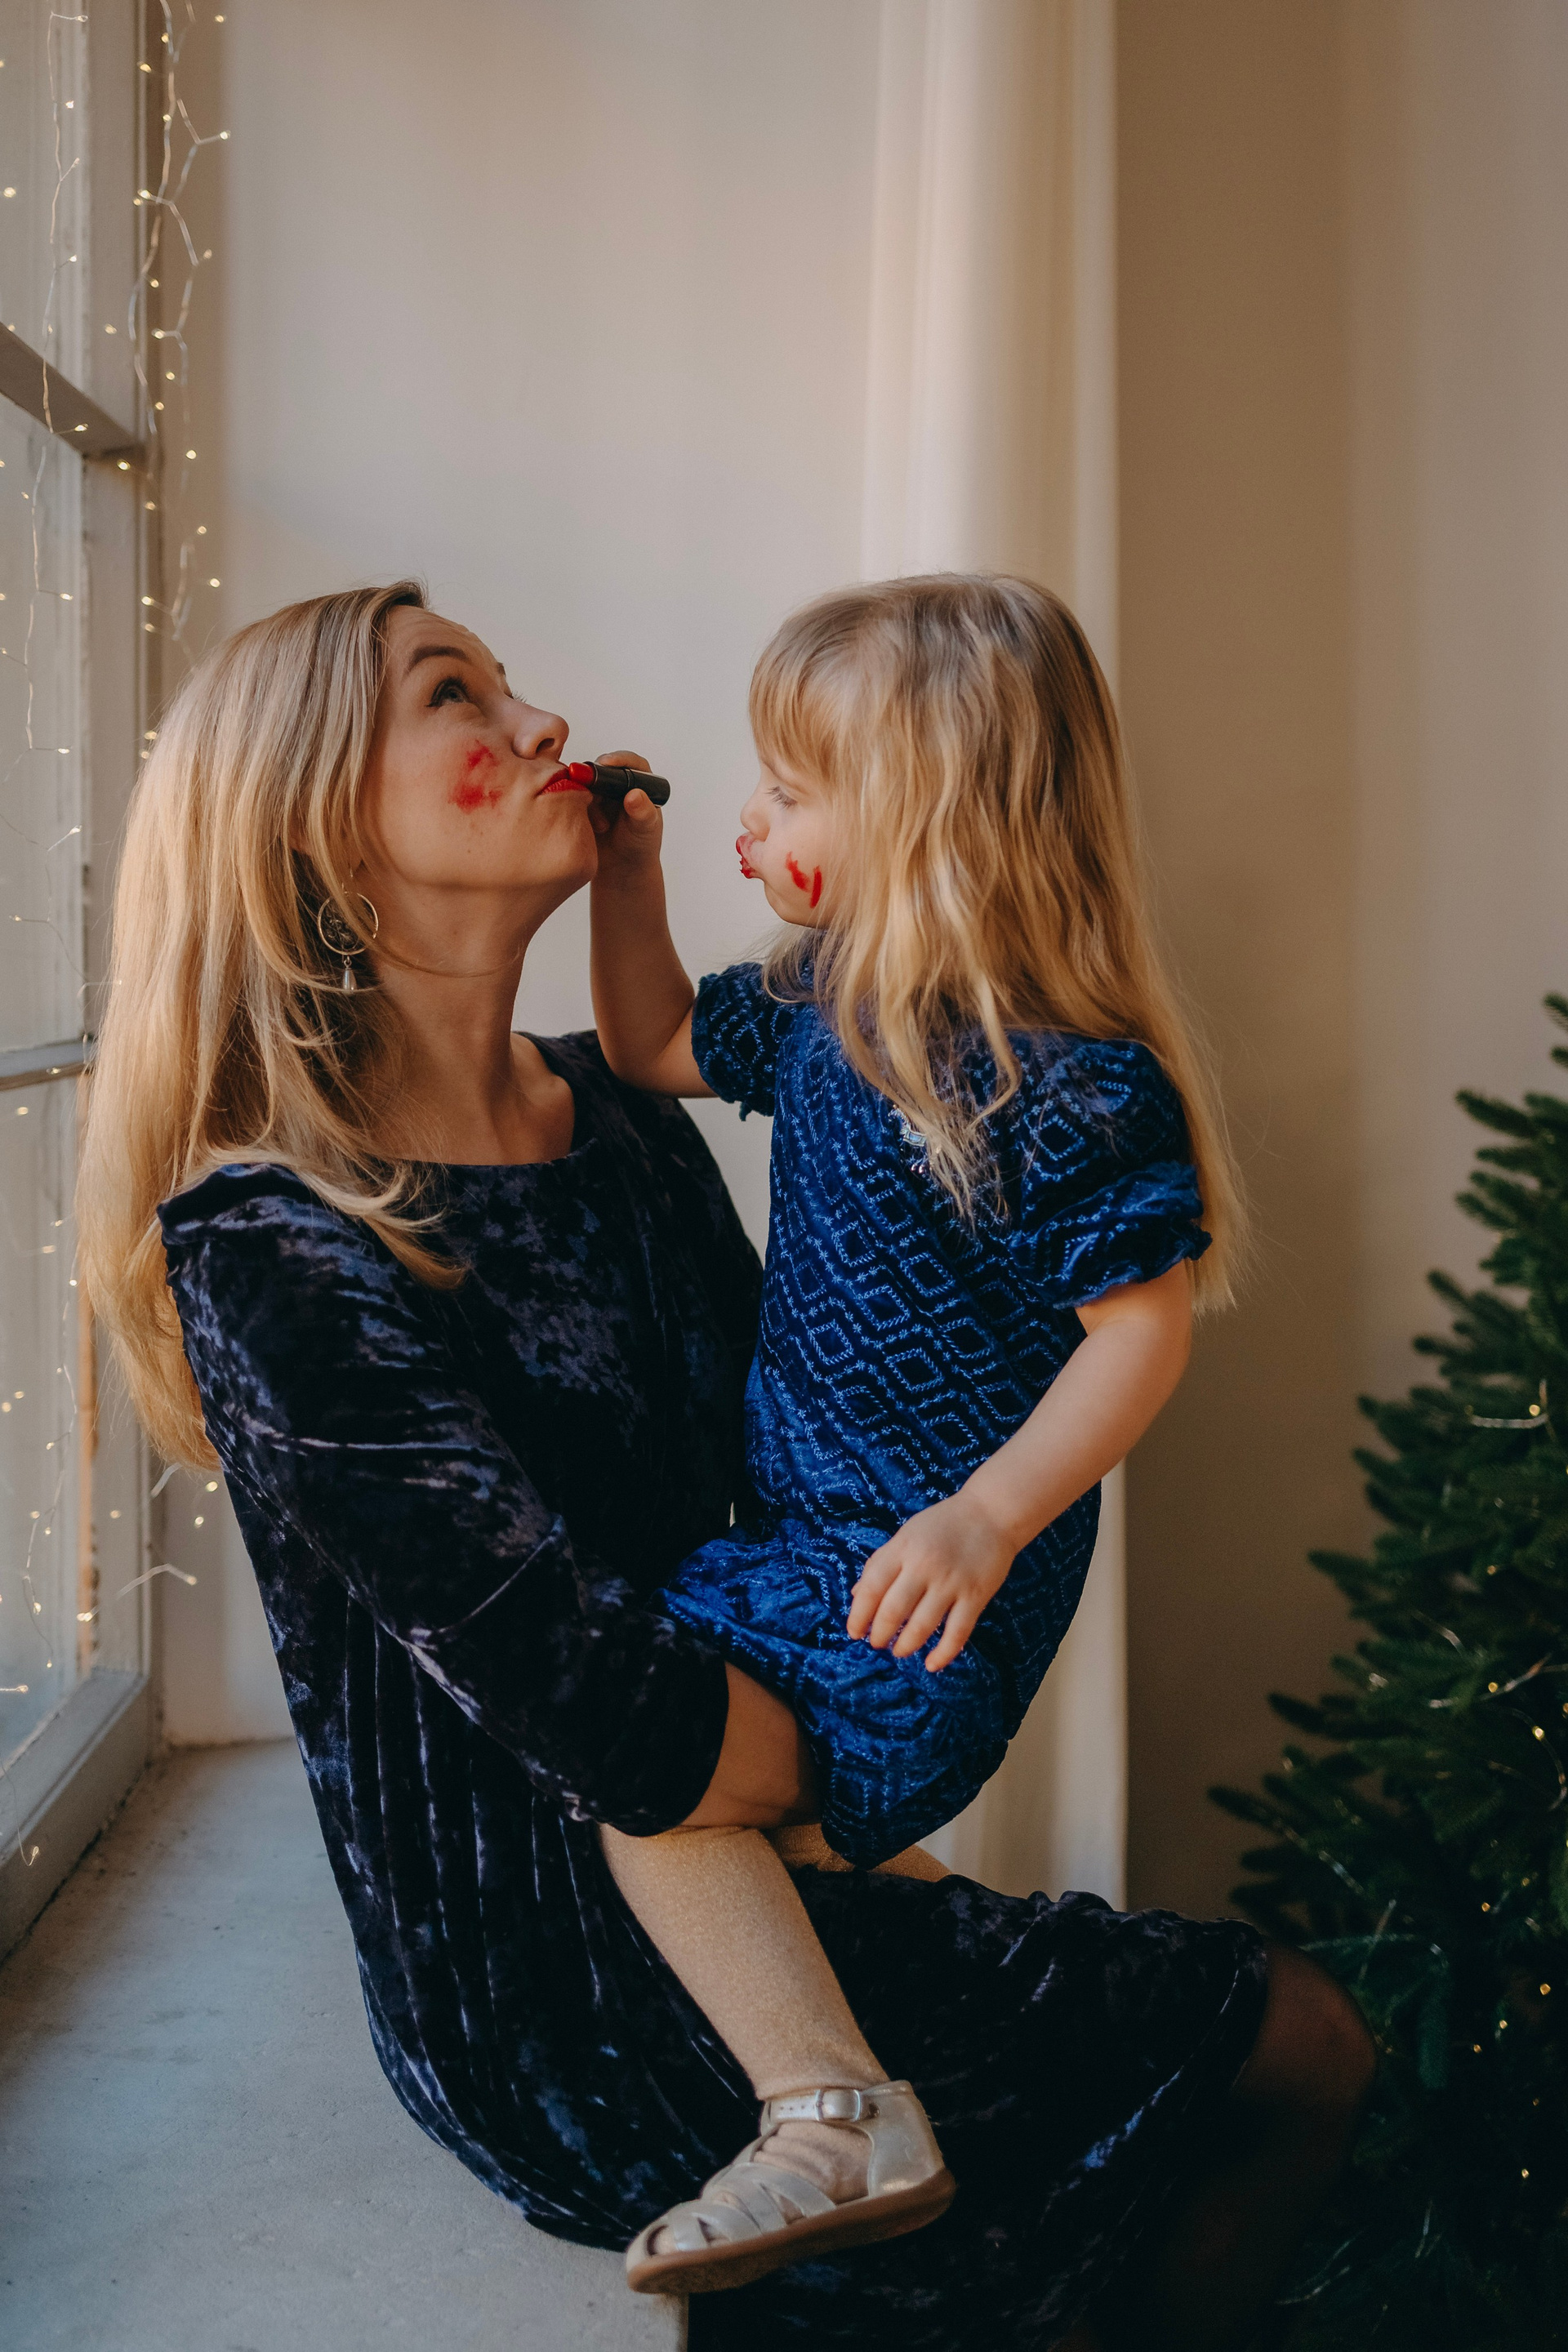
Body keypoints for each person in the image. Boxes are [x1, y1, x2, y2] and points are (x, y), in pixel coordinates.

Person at [78, 581, 1373, 2352]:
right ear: (310, 822)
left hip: (751, 1803)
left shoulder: (620, 1121)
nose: (544, 725)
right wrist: (838, 1789)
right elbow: (598, 1709)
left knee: (1296, 2053)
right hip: (568, 1965)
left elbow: (771, 1503)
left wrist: (888, 1732)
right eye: (456, 695)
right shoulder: (275, 1241)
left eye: (513, 684)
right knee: (1293, 2047)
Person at [590, 574, 1236, 2292]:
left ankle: (833, 2113)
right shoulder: (821, 1005)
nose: (755, 821)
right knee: (766, 1825)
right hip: (813, 1552)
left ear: (934, 814)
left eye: (791, 792)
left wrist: (987, 1517)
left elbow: (1143, 1333)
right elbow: (649, 1042)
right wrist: (630, 876)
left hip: (920, 1583)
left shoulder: (1056, 1075)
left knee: (648, 1769)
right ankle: (947, 2015)